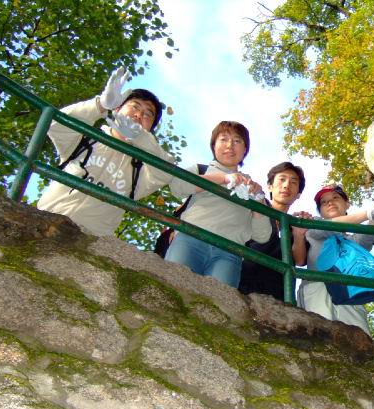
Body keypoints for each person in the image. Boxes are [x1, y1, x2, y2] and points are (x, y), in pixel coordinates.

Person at [37, 66, 175, 236]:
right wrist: (100, 105)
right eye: (134, 106)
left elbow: (166, 172)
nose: (139, 115)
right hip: (43, 220)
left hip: (90, 241)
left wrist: (140, 138)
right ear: (117, 109)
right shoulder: (86, 140)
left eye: (148, 115)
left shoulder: (140, 171)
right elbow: (57, 124)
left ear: (150, 130)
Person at [165, 121, 271, 288]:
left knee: (219, 302)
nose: (230, 145)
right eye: (224, 139)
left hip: (228, 253)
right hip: (190, 239)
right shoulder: (201, 170)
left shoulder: (251, 188)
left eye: (237, 141)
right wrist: (223, 178)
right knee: (172, 290)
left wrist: (258, 201)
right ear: (214, 145)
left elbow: (262, 236)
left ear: (245, 149)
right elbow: (177, 186)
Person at [296, 184, 374, 336]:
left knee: (358, 338)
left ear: (347, 203)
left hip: (349, 291)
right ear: (320, 211)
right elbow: (330, 227)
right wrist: (368, 214)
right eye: (324, 202)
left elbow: (366, 238)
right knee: (319, 338)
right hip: (318, 288)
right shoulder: (313, 227)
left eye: (335, 197)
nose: (330, 202)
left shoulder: (351, 239)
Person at [238, 161, 311, 300]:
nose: (286, 185)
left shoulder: (294, 224)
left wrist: (298, 234)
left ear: (298, 194)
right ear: (270, 186)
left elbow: (300, 261)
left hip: (278, 295)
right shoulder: (255, 205)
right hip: (241, 283)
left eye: (293, 182)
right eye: (282, 179)